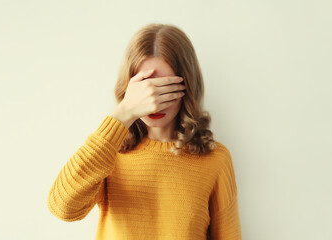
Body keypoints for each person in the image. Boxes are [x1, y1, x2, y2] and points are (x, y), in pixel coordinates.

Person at [47, 23, 242, 240]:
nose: (155, 103)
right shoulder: (108, 154)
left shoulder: (215, 160)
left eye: (166, 88)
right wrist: (124, 113)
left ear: (187, 86)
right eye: (146, 87)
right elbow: (62, 207)